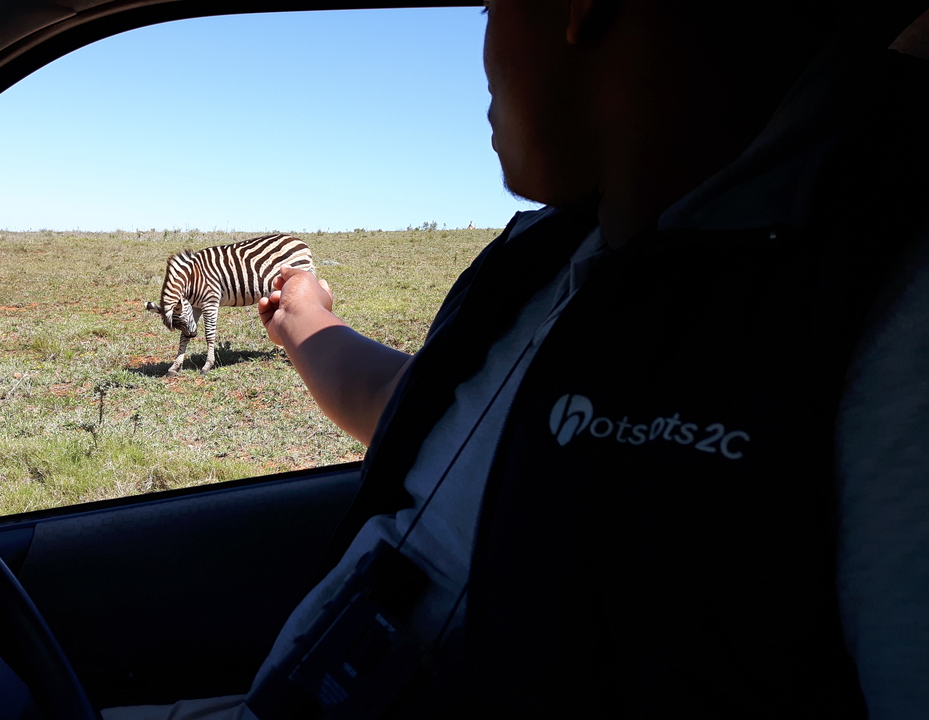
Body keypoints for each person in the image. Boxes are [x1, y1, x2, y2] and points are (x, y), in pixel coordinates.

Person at [103, 0, 929, 717]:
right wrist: (307, 325)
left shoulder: (881, 310)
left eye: (488, 8)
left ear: (579, 7)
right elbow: (432, 416)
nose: (483, 49)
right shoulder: (556, 256)